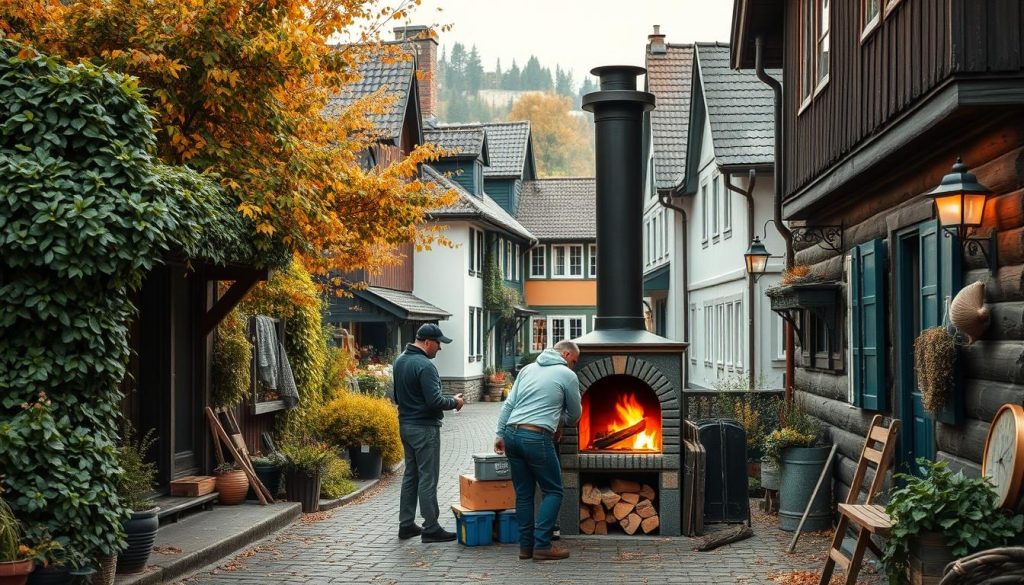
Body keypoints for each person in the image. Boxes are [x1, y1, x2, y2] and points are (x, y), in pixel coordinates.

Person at [494, 339, 582, 561]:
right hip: (536, 437)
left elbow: (509, 404)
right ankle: (542, 545)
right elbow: (575, 414)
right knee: (553, 490)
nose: (574, 365)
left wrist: (499, 433)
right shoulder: (567, 375)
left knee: (524, 494)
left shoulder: (527, 369)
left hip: (512, 434)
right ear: (565, 355)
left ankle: (526, 548)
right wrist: (560, 420)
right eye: (574, 360)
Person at [393, 323, 465, 543]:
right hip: (425, 428)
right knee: (428, 477)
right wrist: (455, 401)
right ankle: (431, 527)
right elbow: (434, 401)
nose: (440, 348)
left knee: (410, 475)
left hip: (406, 425)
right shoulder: (425, 365)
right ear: (427, 342)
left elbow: (397, 397)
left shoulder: (400, 361)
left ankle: (406, 525)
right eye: (439, 343)